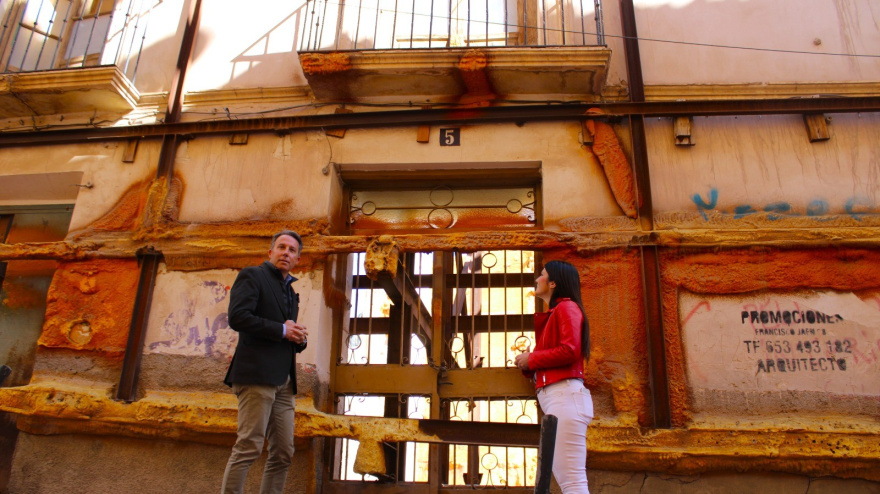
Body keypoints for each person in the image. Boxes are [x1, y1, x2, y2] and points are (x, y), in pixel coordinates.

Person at [221, 230, 309, 494]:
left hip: (284, 381)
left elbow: (284, 332)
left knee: (283, 452)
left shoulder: (292, 293)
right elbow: (238, 317)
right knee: (249, 446)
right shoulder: (253, 275)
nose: (286, 253)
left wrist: (298, 338)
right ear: (270, 252)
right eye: (281, 247)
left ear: (297, 259)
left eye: (292, 250)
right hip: (256, 375)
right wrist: (282, 330)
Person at [515, 260, 592, 494]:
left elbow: (570, 350)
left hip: (565, 397)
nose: (537, 279)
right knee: (569, 481)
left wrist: (532, 359)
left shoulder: (567, 308)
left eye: (542, 274)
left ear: (553, 282)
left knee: (572, 483)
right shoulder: (556, 312)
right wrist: (529, 363)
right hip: (561, 398)